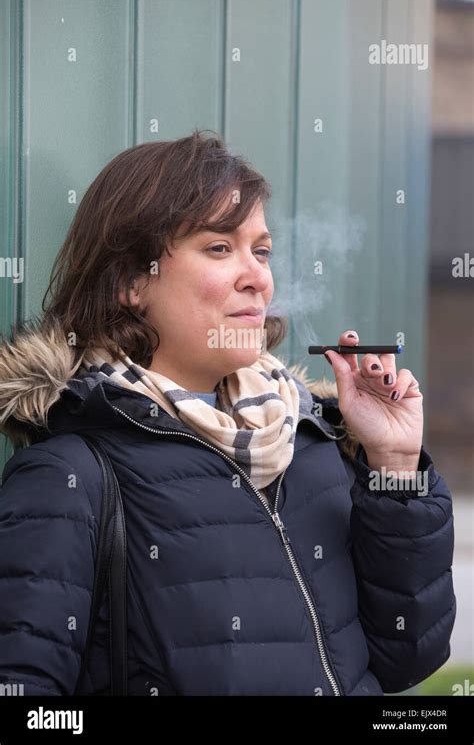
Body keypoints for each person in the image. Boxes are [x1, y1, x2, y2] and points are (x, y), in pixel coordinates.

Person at [0, 130, 455, 696]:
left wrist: (393, 462)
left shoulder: (310, 442)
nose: (257, 277)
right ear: (131, 282)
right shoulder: (70, 478)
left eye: (260, 251)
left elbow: (406, 656)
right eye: (219, 248)